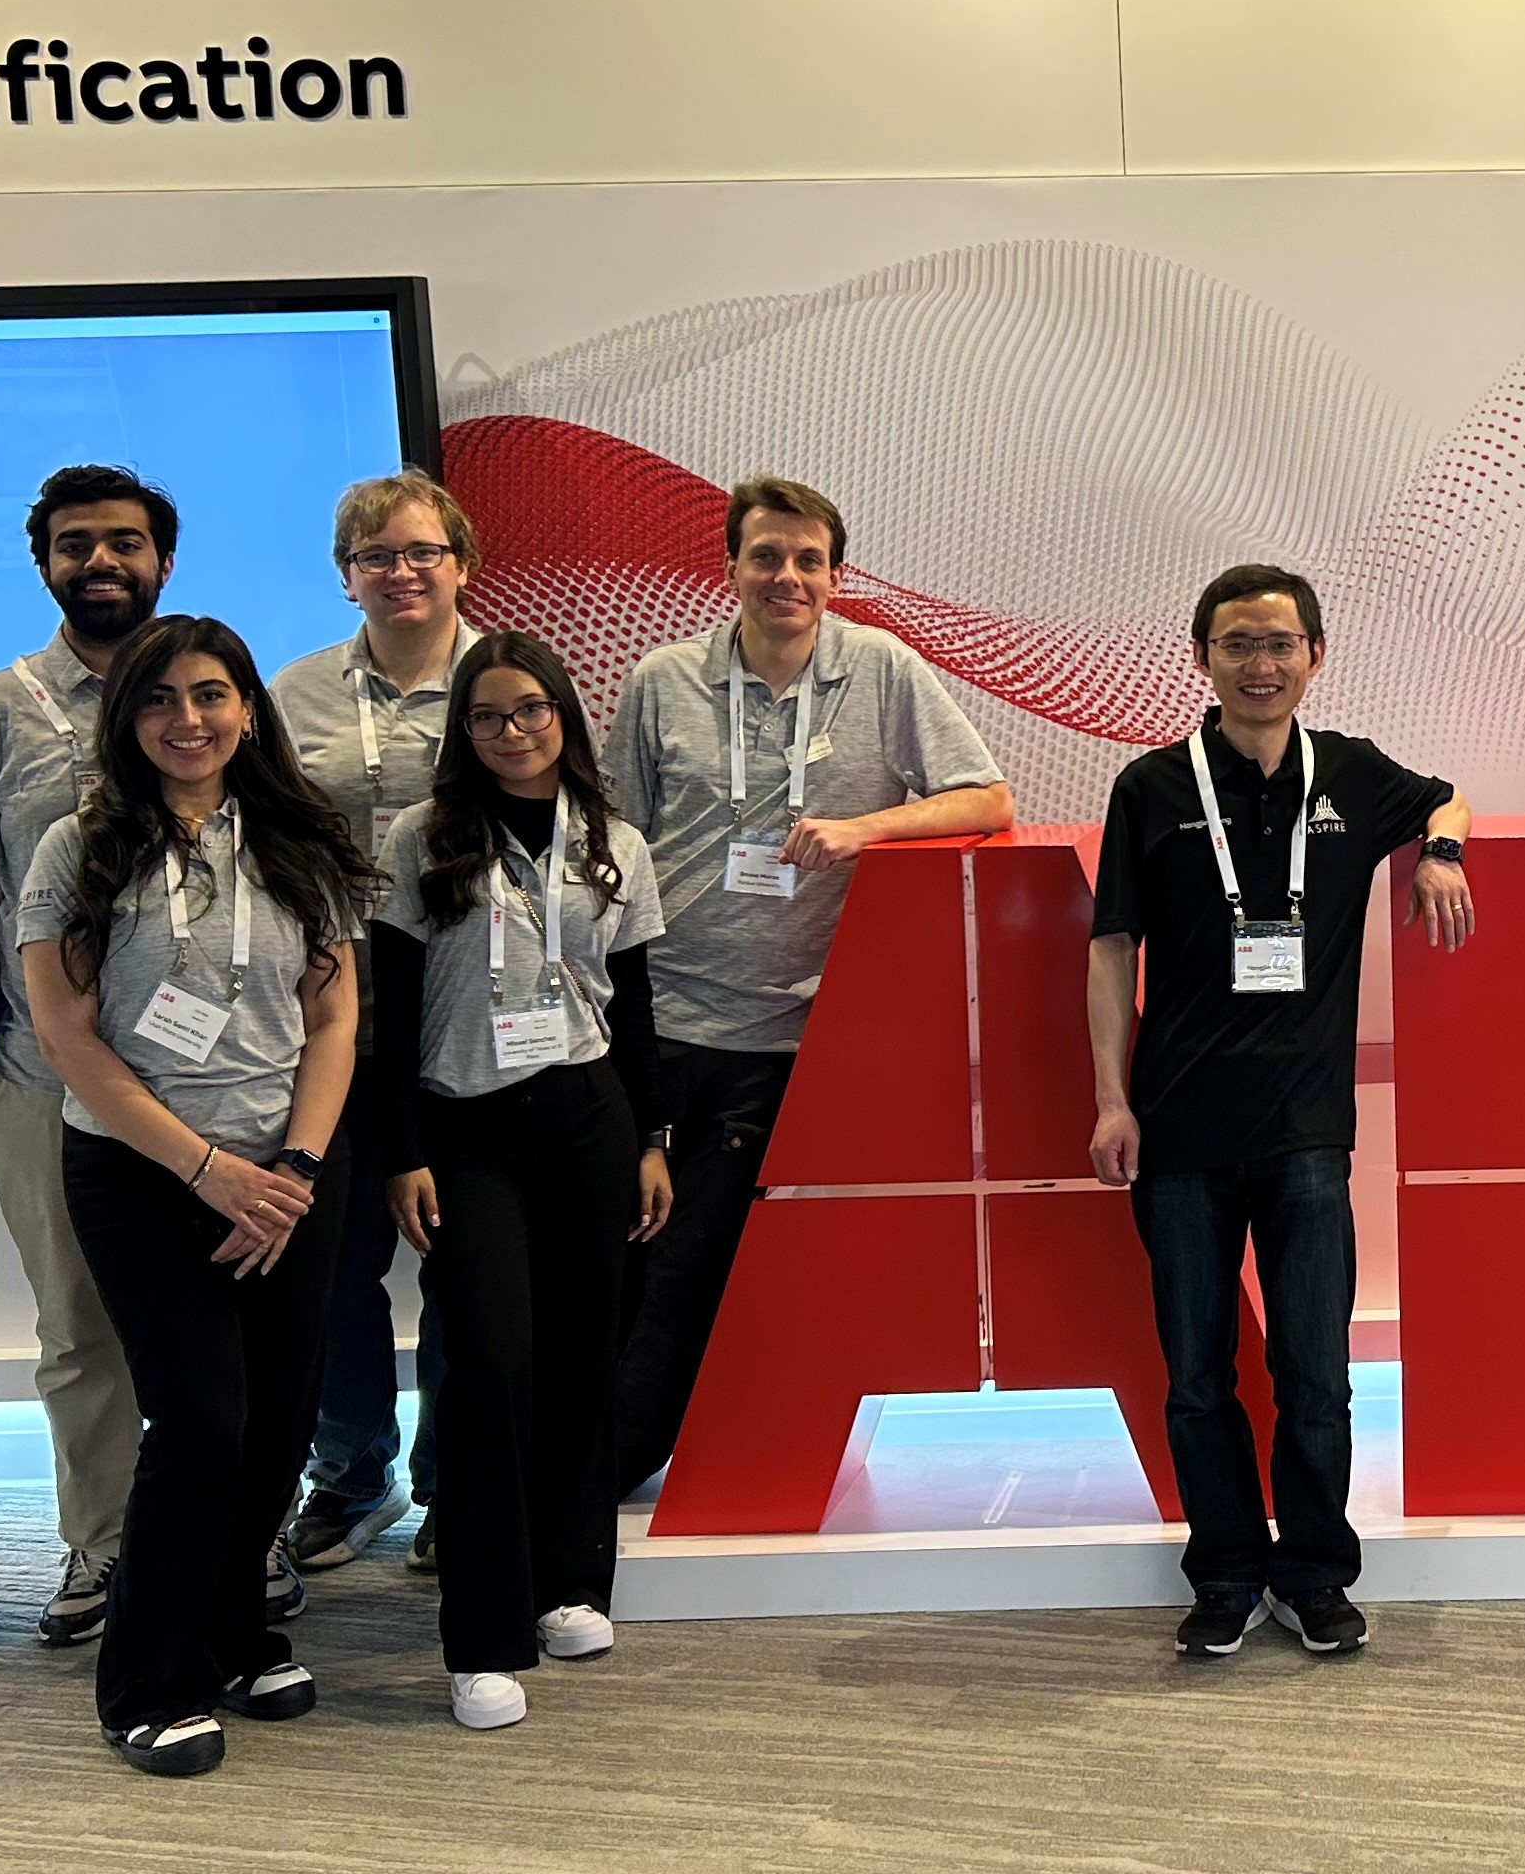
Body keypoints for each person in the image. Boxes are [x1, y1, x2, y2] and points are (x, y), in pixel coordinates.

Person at [1086, 565, 1474, 1658]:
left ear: (1315, 655)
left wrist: (1441, 852)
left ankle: (1313, 1573)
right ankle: (1223, 1573)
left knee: (1315, 1374)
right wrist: (1112, 1100)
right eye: (1238, 645)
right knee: (1196, 1378)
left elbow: (1447, 795)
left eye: (1280, 644)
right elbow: (1112, 950)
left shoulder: (1348, 771)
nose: (1261, 665)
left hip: (1307, 1131)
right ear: (1202, 657)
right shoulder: (1153, 786)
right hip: (1178, 1129)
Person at [605, 475, 1011, 1497]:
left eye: (807, 560)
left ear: (835, 575)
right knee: (632, 1253)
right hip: (662, 1014)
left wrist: (866, 829)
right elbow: (615, 842)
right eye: (765, 556)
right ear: (730, 566)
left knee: (715, 1265)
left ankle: (622, 1461)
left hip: (800, 1032)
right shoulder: (662, 679)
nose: (786, 577)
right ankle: (597, 1455)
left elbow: (987, 798)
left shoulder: (880, 669)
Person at [18, 616, 368, 1777]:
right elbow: (67, 1038)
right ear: (127, 720)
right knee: (203, 1422)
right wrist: (209, 1171)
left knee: (279, 1420)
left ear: (248, 710)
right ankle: (147, 1681)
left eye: (211, 694)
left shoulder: (298, 837)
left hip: (288, 1175)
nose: (188, 719)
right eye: (160, 699)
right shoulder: (77, 848)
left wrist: (296, 1170)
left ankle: (234, 1634)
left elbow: (333, 1015)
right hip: (143, 1173)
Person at [371, 634, 673, 1731]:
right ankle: (483, 1638)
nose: (514, 732)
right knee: (492, 1365)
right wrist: (401, 1150)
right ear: (464, 729)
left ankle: (567, 1584)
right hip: (468, 1128)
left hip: (589, 1116)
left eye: (533, 710)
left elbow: (634, 1000)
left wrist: (653, 1139)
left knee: (585, 1357)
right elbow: (391, 1006)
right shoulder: (423, 837)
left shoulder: (612, 841)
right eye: (490, 715)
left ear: (564, 716)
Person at [0, 464, 176, 1648]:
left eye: (124, 541)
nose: (101, 562)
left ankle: (240, 1529)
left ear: (162, 561)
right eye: (76, 544)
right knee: (78, 1325)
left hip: (208, 1080)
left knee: (220, 1318)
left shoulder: (210, 689)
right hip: (41, 1076)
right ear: (44, 565)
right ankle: (105, 1541)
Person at [271, 471, 479, 1593]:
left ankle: (453, 1483)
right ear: (345, 575)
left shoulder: (507, 682)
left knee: (464, 1256)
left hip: (467, 1005)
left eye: (421, 552)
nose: (401, 573)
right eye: (376, 556)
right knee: (335, 1262)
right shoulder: (293, 693)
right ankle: (352, 1475)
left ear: (461, 564)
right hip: (328, 1009)